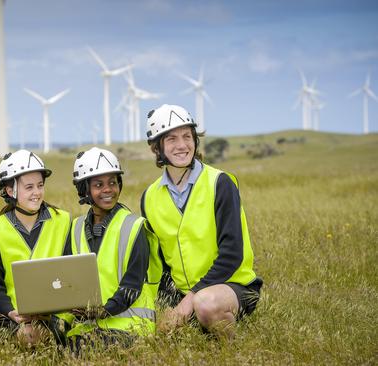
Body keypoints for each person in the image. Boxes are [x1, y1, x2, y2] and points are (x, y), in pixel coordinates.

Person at [140, 104, 263, 338]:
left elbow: (232, 254)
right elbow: (159, 264)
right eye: (172, 139)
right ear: (157, 148)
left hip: (232, 287)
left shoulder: (220, 183)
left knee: (206, 303)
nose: (182, 145)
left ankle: (231, 351)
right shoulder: (149, 197)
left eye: (188, 136)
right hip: (182, 294)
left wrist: (189, 302)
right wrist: (164, 306)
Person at [64, 147, 161, 347]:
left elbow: (132, 287)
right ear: (84, 190)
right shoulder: (76, 228)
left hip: (131, 326)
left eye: (113, 183)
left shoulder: (134, 227)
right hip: (87, 328)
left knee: (85, 348)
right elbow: (68, 282)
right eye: (99, 184)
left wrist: (103, 311)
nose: (108, 189)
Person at [0, 149, 71, 347]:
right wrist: (11, 312)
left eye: (40, 185)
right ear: (10, 190)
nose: (37, 193)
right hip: (14, 315)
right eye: (29, 187)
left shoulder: (63, 221)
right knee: (29, 337)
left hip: (59, 315)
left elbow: (72, 275)